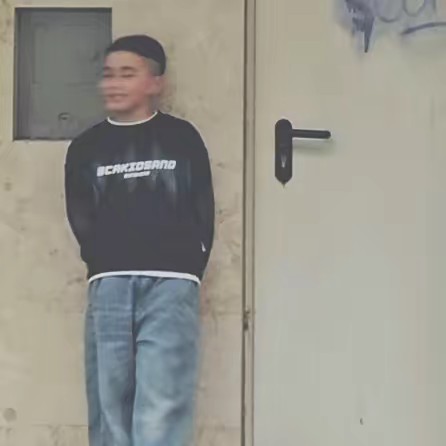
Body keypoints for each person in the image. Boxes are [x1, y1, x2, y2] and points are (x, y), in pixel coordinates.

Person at [64, 34, 214, 446]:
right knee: (110, 408)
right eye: (108, 74)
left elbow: (202, 208)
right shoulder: (85, 147)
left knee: (161, 408)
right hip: (109, 284)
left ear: (155, 82)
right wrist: (105, 261)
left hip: (171, 286)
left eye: (127, 74)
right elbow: (80, 217)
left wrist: (188, 269)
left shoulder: (182, 137)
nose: (114, 83)